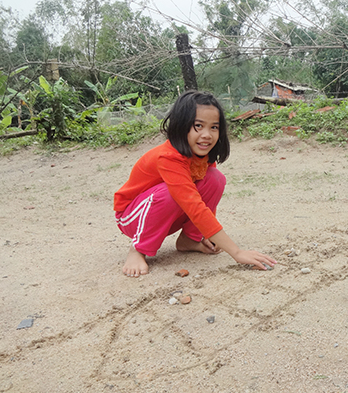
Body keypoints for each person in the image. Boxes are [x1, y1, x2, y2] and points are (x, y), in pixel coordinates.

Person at [114, 90, 276, 277]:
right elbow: (193, 206)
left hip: (167, 214)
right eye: (198, 125)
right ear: (181, 126)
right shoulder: (168, 157)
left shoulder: (201, 155)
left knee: (214, 178)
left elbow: (202, 202)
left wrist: (203, 233)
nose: (207, 135)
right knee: (170, 192)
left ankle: (188, 240)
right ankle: (138, 248)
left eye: (214, 127)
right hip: (132, 217)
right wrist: (237, 252)